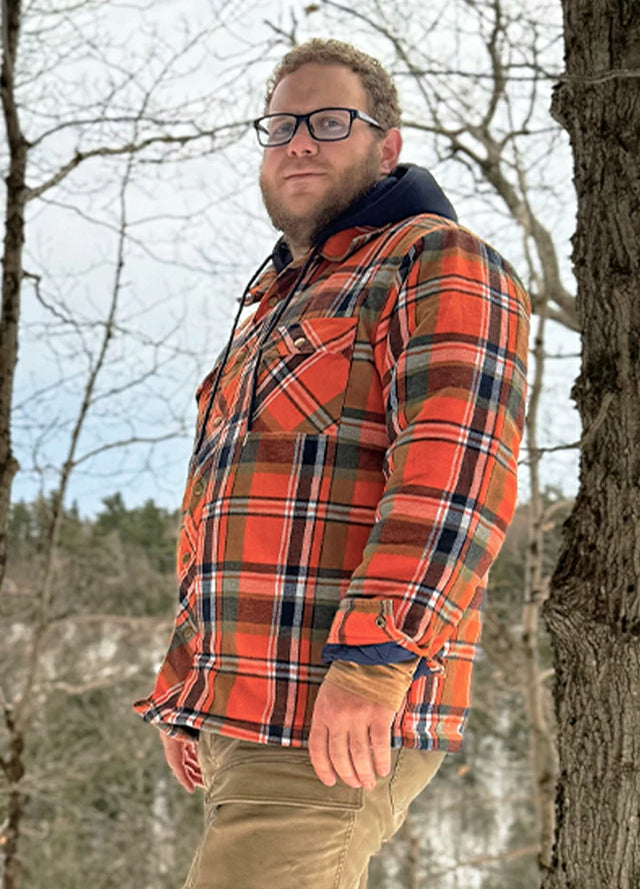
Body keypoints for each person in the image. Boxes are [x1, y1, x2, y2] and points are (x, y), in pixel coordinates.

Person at [134, 38, 529, 889]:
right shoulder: (278, 300)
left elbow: (458, 479)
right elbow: (229, 507)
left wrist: (375, 662)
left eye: (327, 120)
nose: (299, 141)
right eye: (281, 125)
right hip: (244, 715)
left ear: (387, 145)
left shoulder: (436, 260)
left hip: (333, 715)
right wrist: (187, 684)